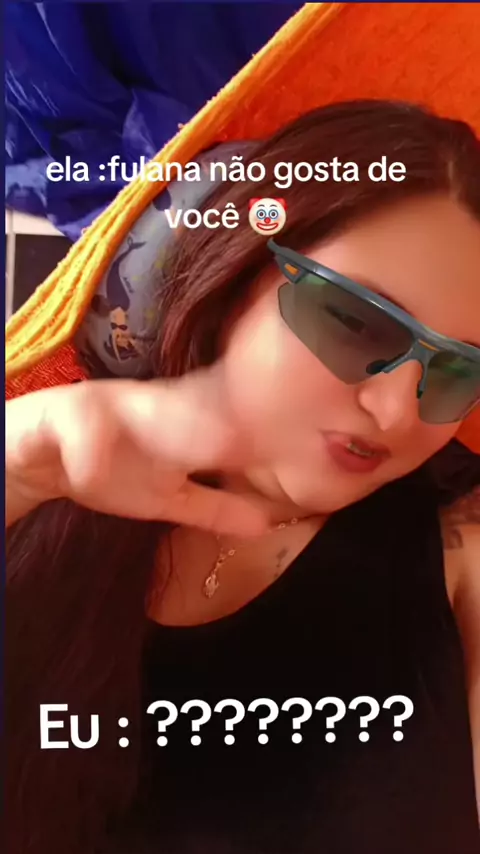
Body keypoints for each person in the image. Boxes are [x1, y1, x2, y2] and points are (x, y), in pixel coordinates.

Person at [6, 100, 480, 854]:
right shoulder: (40, 490)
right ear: (232, 278)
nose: (397, 409)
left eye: (458, 370)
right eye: (354, 321)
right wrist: (19, 466)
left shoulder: (460, 551)